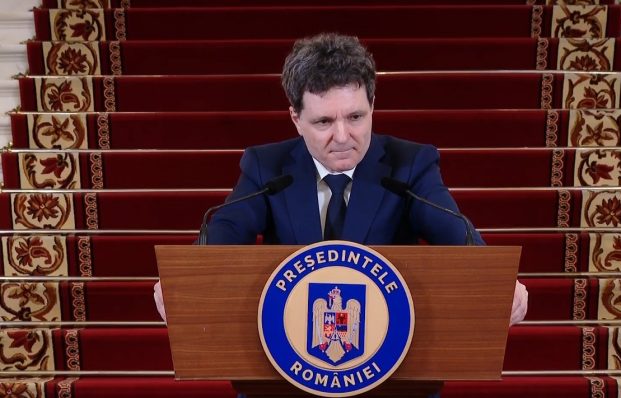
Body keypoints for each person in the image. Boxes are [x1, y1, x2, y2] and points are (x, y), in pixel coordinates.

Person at [154, 33, 527, 325]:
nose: (343, 136)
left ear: (373, 106)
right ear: (296, 119)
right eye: (324, 122)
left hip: (391, 366)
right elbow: (226, 231)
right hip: (286, 366)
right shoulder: (268, 168)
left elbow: (456, 235)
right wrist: (186, 280)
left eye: (355, 117)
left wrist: (497, 282)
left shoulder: (409, 166)